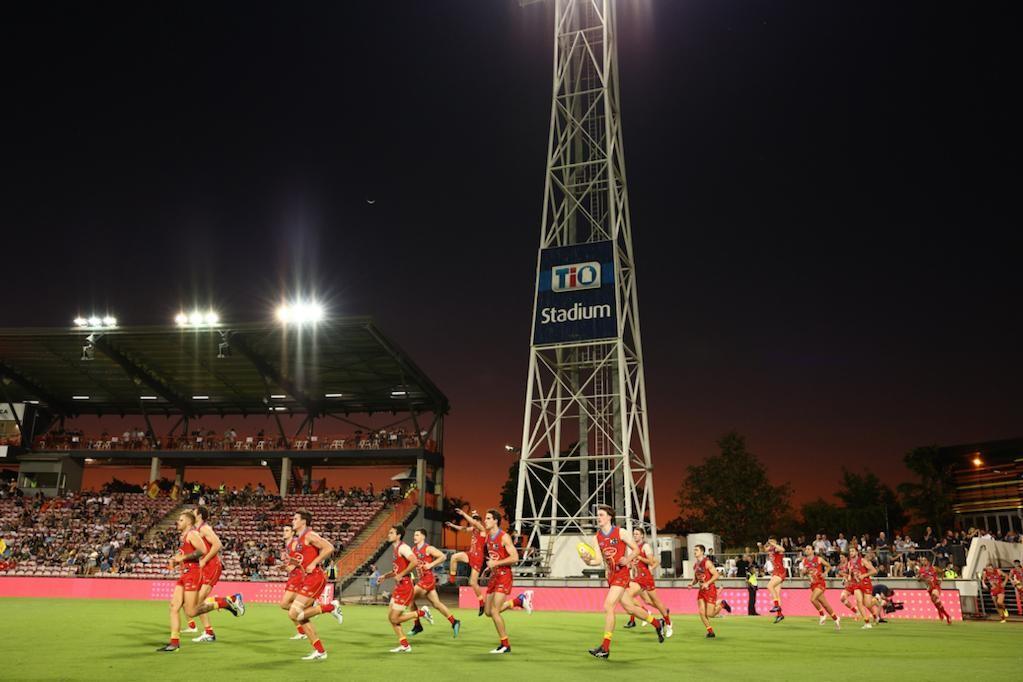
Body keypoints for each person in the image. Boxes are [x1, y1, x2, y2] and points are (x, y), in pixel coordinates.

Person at [580, 506, 663, 659]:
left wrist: (628, 559)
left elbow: (636, 550)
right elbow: (598, 560)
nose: (598, 518)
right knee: (630, 608)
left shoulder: (621, 532)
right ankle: (657, 623)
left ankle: (605, 647)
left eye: (601, 515)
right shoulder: (597, 537)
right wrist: (587, 561)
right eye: (598, 515)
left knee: (608, 605)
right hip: (611, 577)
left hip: (622, 574)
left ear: (609, 517)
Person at [157, 511, 243, 652]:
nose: (177, 522)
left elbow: (202, 550)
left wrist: (183, 559)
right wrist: (174, 560)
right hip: (185, 573)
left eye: (180, 520)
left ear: (188, 522)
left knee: (191, 611)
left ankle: (224, 603)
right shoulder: (184, 536)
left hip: (193, 574)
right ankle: (174, 643)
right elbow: (186, 554)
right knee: (174, 606)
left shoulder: (193, 534)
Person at [287, 510, 343, 660]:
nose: (293, 521)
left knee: (294, 613)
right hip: (308, 578)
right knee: (301, 617)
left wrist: (314, 563)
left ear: (303, 521)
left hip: (315, 577)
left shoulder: (310, 535)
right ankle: (320, 651)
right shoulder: (300, 539)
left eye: (295, 518)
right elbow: (304, 559)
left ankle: (331, 607)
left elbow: (329, 547)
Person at [381, 525, 429, 653]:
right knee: (391, 617)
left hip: (406, 586)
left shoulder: (403, 547)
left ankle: (422, 613)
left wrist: (401, 575)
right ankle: (405, 644)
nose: (389, 534)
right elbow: (397, 570)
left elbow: (414, 562)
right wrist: (385, 576)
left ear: (398, 535)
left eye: (391, 533)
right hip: (399, 586)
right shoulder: (396, 548)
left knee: (395, 618)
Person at [406, 528, 461, 638]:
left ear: (423, 537)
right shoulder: (413, 550)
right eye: (414, 535)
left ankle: (417, 625)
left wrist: (431, 565)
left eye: (417, 535)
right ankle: (454, 621)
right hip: (422, 580)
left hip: (427, 579)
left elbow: (443, 556)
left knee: (409, 598)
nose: (414, 537)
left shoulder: (428, 548)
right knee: (437, 604)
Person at [482, 509, 520, 654]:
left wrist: (496, 564)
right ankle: (516, 602)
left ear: (495, 521)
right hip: (494, 576)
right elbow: (494, 559)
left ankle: (505, 644)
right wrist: (489, 568)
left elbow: (515, 558)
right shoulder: (488, 538)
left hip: (504, 575)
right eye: (486, 518)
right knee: (487, 612)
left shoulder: (504, 537)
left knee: (494, 611)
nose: (485, 521)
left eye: (488, 518)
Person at [183, 506, 223, 642]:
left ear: (199, 515)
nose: (192, 513)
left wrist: (204, 560)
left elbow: (218, 545)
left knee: (196, 603)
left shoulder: (205, 528)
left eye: (194, 512)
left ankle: (220, 603)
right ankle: (209, 632)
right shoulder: (196, 530)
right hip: (205, 567)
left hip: (212, 566)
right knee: (194, 603)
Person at [624, 527, 672, 637]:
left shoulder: (645, 546)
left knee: (657, 602)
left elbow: (651, 561)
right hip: (638, 578)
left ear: (642, 536)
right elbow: (634, 564)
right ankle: (647, 613)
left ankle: (668, 623)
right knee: (630, 596)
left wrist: (640, 558)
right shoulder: (634, 548)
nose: (635, 535)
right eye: (634, 534)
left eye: (637, 534)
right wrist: (629, 565)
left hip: (646, 578)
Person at [446, 509, 487, 616]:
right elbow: (463, 529)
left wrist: (464, 514)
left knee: (472, 583)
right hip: (470, 554)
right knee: (454, 557)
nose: (474, 522)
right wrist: (453, 525)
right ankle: (452, 580)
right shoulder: (474, 529)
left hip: (478, 557)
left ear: (479, 522)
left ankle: (482, 603)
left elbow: (473, 523)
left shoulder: (482, 530)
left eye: (476, 521)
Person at [689, 544, 730, 638]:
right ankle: (710, 632)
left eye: (697, 550)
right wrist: (692, 583)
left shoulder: (707, 562)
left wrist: (707, 583)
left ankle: (722, 604)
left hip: (710, 590)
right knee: (701, 612)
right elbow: (696, 578)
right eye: (694, 550)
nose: (695, 552)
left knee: (710, 614)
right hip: (701, 591)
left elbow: (716, 575)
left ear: (702, 552)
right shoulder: (695, 565)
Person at [280, 525, 310, 640]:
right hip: (293, 576)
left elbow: (297, 562)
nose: (284, 532)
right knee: (292, 609)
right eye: (284, 530)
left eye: (287, 530)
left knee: (284, 604)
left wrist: (286, 567)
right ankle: (302, 631)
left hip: (297, 577)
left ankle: (313, 609)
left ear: (293, 533)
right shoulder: (287, 545)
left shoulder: (294, 543)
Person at [801, 546, 839, 629]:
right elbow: (804, 573)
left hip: (820, 583)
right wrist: (804, 574)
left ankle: (822, 614)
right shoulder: (804, 561)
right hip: (813, 585)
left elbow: (828, 566)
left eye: (808, 549)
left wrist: (825, 573)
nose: (806, 550)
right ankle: (836, 619)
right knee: (825, 604)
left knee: (812, 599)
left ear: (813, 550)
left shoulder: (818, 559)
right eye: (806, 549)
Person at [848, 545, 878, 629]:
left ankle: (875, 600)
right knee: (859, 602)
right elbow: (851, 574)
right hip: (857, 585)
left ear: (857, 552)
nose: (851, 553)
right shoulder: (849, 563)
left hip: (866, 583)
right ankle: (867, 622)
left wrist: (864, 575)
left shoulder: (862, 561)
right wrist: (849, 578)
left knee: (867, 604)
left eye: (853, 551)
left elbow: (874, 571)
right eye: (850, 551)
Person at [915, 556, 951, 624]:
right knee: (935, 602)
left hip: (935, 586)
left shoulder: (934, 568)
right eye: (922, 560)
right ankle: (943, 612)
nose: (923, 561)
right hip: (929, 588)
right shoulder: (921, 570)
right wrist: (921, 578)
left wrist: (940, 580)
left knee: (934, 597)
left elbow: (942, 573)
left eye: (924, 560)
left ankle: (947, 616)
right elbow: (918, 579)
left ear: (928, 561)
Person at [760, 537, 787, 623]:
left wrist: (774, 544)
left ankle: (776, 606)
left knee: (769, 586)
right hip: (775, 572)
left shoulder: (777, 549)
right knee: (777, 594)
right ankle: (779, 615)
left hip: (780, 572)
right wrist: (761, 545)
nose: (770, 542)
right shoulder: (771, 549)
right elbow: (764, 550)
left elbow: (783, 549)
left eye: (772, 541)